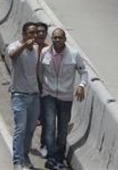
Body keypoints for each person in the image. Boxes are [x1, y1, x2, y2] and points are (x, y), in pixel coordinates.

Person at [40, 27, 87, 170]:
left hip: (66, 98)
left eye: (60, 37)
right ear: (52, 38)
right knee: (49, 128)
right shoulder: (45, 52)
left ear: (65, 39)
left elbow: (83, 72)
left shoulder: (73, 54)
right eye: (54, 37)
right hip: (49, 95)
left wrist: (81, 85)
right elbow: (40, 72)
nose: (57, 40)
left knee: (62, 129)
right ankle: (52, 157)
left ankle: (59, 157)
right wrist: (43, 88)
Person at [7, 23, 43, 170]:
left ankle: (25, 156)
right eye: (30, 33)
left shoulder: (35, 49)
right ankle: (17, 161)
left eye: (35, 33)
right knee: (20, 129)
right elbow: (12, 55)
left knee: (30, 130)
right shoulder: (14, 46)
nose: (33, 36)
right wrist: (23, 46)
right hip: (19, 96)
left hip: (34, 96)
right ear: (23, 34)